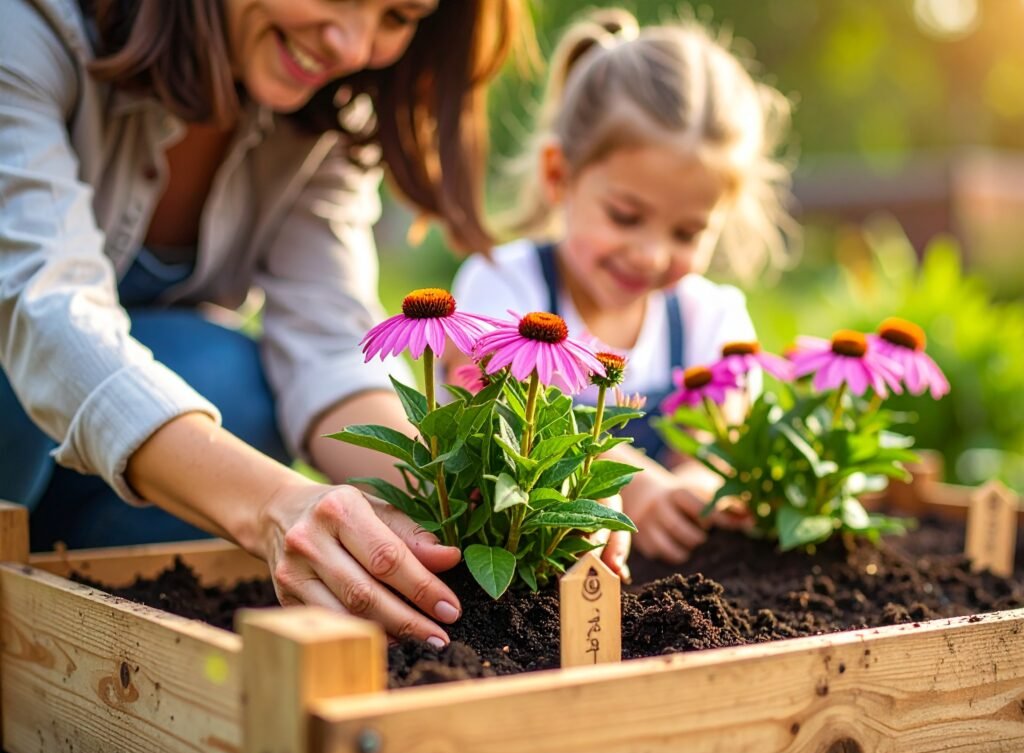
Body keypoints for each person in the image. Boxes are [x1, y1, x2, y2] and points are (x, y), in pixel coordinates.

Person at [0, 0, 529, 646]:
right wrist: (273, 506)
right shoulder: (27, 25)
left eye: (397, 15)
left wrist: (470, 501)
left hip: (92, 461)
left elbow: (327, 343)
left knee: (241, 388)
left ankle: (73, 623)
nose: (350, 45)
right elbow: (43, 313)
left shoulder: (327, 110)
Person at [448, 9, 797, 564]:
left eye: (687, 231)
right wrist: (631, 485)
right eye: (625, 216)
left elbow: (721, 450)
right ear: (559, 176)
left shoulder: (710, 319)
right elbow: (486, 421)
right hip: (524, 564)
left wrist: (695, 492)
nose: (651, 254)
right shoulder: (505, 287)